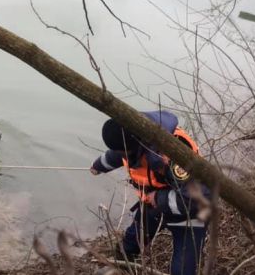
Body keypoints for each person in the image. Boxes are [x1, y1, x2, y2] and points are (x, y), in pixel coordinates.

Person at [90, 111, 210, 275]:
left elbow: (201, 197)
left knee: (182, 270)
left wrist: (159, 198)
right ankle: (122, 268)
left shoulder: (172, 152)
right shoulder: (131, 140)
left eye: (123, 151)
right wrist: (98, 166)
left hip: (190, 216)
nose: (121, 155)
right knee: (129, 246)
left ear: (133, 147)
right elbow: (115, 156)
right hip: (154, 208)